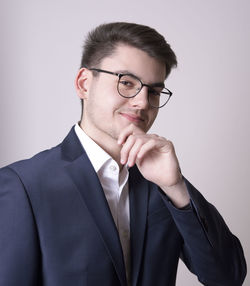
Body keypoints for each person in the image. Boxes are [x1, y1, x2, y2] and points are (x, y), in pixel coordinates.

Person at [0, 22, 246, 286]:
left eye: (153, 91)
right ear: (84, 84)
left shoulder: (162, 183)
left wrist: (176, 187)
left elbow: (227, 278)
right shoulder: (23, 185)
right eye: (127, 82)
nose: (142, 102)